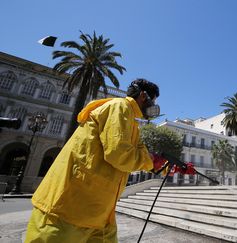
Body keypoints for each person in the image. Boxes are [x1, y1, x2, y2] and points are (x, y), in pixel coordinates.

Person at [25, 78, 188, 242]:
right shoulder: (119, 107)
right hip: (68, 207)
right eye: (154, 101)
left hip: (98, 212)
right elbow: (119, 154)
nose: (153, 107)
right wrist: (153, 161)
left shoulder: (131, 123)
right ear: (144, 96)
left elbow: (142, 156)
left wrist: (169, 166)